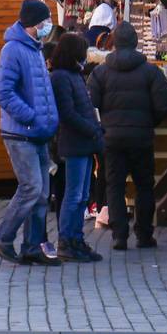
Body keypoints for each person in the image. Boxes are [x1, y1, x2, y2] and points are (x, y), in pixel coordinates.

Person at [89, 21, 167, 251]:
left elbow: (92, 105)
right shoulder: (150, 72)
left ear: (114, 42)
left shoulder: (100, 72)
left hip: (111, 138)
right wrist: (149, 123)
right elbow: (162, 103)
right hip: (141, 137)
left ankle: (119, 234)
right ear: (135, 42)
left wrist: (104, 127)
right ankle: (144, 234)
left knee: (114, 186)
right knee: (144, 185)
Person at [0, 0, 60, 266]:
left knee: (41, 194)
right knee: (31, 188)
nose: (48, 25)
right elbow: (3, 92)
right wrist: (31, 116)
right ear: (35, 23)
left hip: (37, 133)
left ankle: (32, 245)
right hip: (21, 133)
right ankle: (3, 239)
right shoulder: (13, 50)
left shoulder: (34, 49)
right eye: (45, 20)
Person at [49, 33, 105, 263]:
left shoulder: (74, 75)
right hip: (74, 142)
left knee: (81, 196)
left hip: (84, 141)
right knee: (74, 195)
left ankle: (76, 238)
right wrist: (92, 129)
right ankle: (67, 241)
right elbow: (68, 113)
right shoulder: (62, 77)